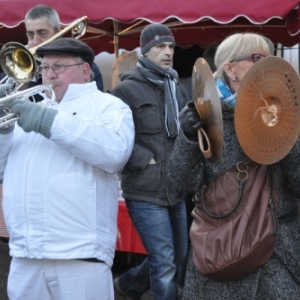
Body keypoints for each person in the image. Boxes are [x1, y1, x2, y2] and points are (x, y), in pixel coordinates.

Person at [167, 32, 300, 299]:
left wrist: (286, 136)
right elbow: (179, 183)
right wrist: (189, 138)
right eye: (257, 58)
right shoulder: (205, 114)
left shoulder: (287, 111)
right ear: (229, 69)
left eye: (269, 58)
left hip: (276, 253)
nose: (267, 65)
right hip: (221, 252)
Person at [0, 38, 134, 300]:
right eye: (44, 68)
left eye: (59, 66)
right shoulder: (32, 106)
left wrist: (46, 121)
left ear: (85, 70)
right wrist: (4, 131)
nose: (49, 74)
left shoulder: (109, 106)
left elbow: (115, 152)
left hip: (79, 255)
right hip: (26, 255)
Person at [111, 24, 189, 300]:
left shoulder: (176, 87)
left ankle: (129, 284)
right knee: (165, 260)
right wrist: (147, 159)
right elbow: (115, 138)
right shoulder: (126, 90)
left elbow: (182, 135)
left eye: (171, 47)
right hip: (144, 186)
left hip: (175, 186)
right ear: (145, 51)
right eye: (160, 47)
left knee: (178, 253)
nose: (168, 53)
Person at [24, 4, 104, 98]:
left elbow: (92, 103)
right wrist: (20, 83)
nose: (35, 41)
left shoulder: (84, 65)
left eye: (42, 33)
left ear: (58, 33)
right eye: (30, 34)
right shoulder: (17, 66)